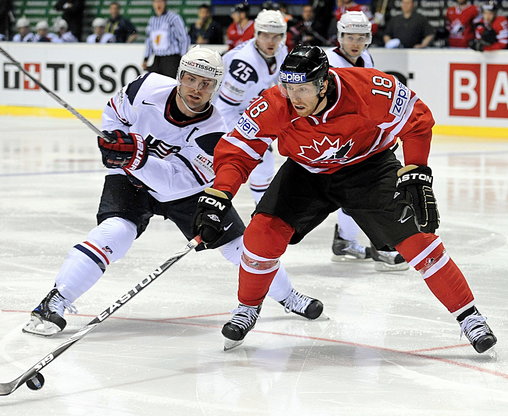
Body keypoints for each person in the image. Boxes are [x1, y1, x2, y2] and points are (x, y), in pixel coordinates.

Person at [192, 45, 497, 354]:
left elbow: (417, 120)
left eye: (303, 89)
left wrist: (416, 169)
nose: (293, 97)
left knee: (419, 240)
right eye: (288, 86)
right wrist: (220, 193)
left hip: (369, 168)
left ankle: (469, 316)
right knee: (260, 234)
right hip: (305, 173)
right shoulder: (276, 102)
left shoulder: (368, 89)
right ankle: (247, 307)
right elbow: (239, 149)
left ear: (323, 83)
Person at [23, 46, 322, 337]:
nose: (196, 88)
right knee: (115, 233)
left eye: (206, 84)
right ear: (179, 76)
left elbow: (175, 182)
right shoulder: (146, 87)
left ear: (216, 87)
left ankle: (288, 296)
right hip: (129, 179)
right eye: (190, 78)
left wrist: (135, 156)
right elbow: (114, 113)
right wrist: (116, 140)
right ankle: (55, 300)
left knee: (241, 247)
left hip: (187, 192)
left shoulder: (215, 132)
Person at [326, 11, 407, 272]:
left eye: (361, 37)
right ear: (340, 36)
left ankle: (345, 241)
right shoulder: (328, 61)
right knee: (361, 191)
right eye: (350, 36)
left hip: (360, 137)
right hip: (336, 139)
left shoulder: (366, 58)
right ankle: (380, 245)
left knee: (355, 191)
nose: (356, 42)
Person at [214, 9, 288, 205]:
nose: (271, 41)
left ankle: (262, 211)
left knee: (264, 162)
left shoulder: (282, 51)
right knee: (260, 160)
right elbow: (225, 107)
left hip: (246, 109)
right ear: (257, 34)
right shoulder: (244, 63)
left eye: (276, 36)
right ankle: (262, 212)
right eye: (266, 35)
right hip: (226, 113)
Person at [143, 0, 190, 79]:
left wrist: (183, 57)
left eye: (161, 1)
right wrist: (146, 58)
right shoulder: (152, 20)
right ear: (153, 4)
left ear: (165, 3)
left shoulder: (173, 18)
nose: (158, 4)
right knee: (154, 83)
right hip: (157, 58)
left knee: (171, 85)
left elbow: (184, 38)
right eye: (156, 2)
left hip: (171, 59)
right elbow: (150, 41)